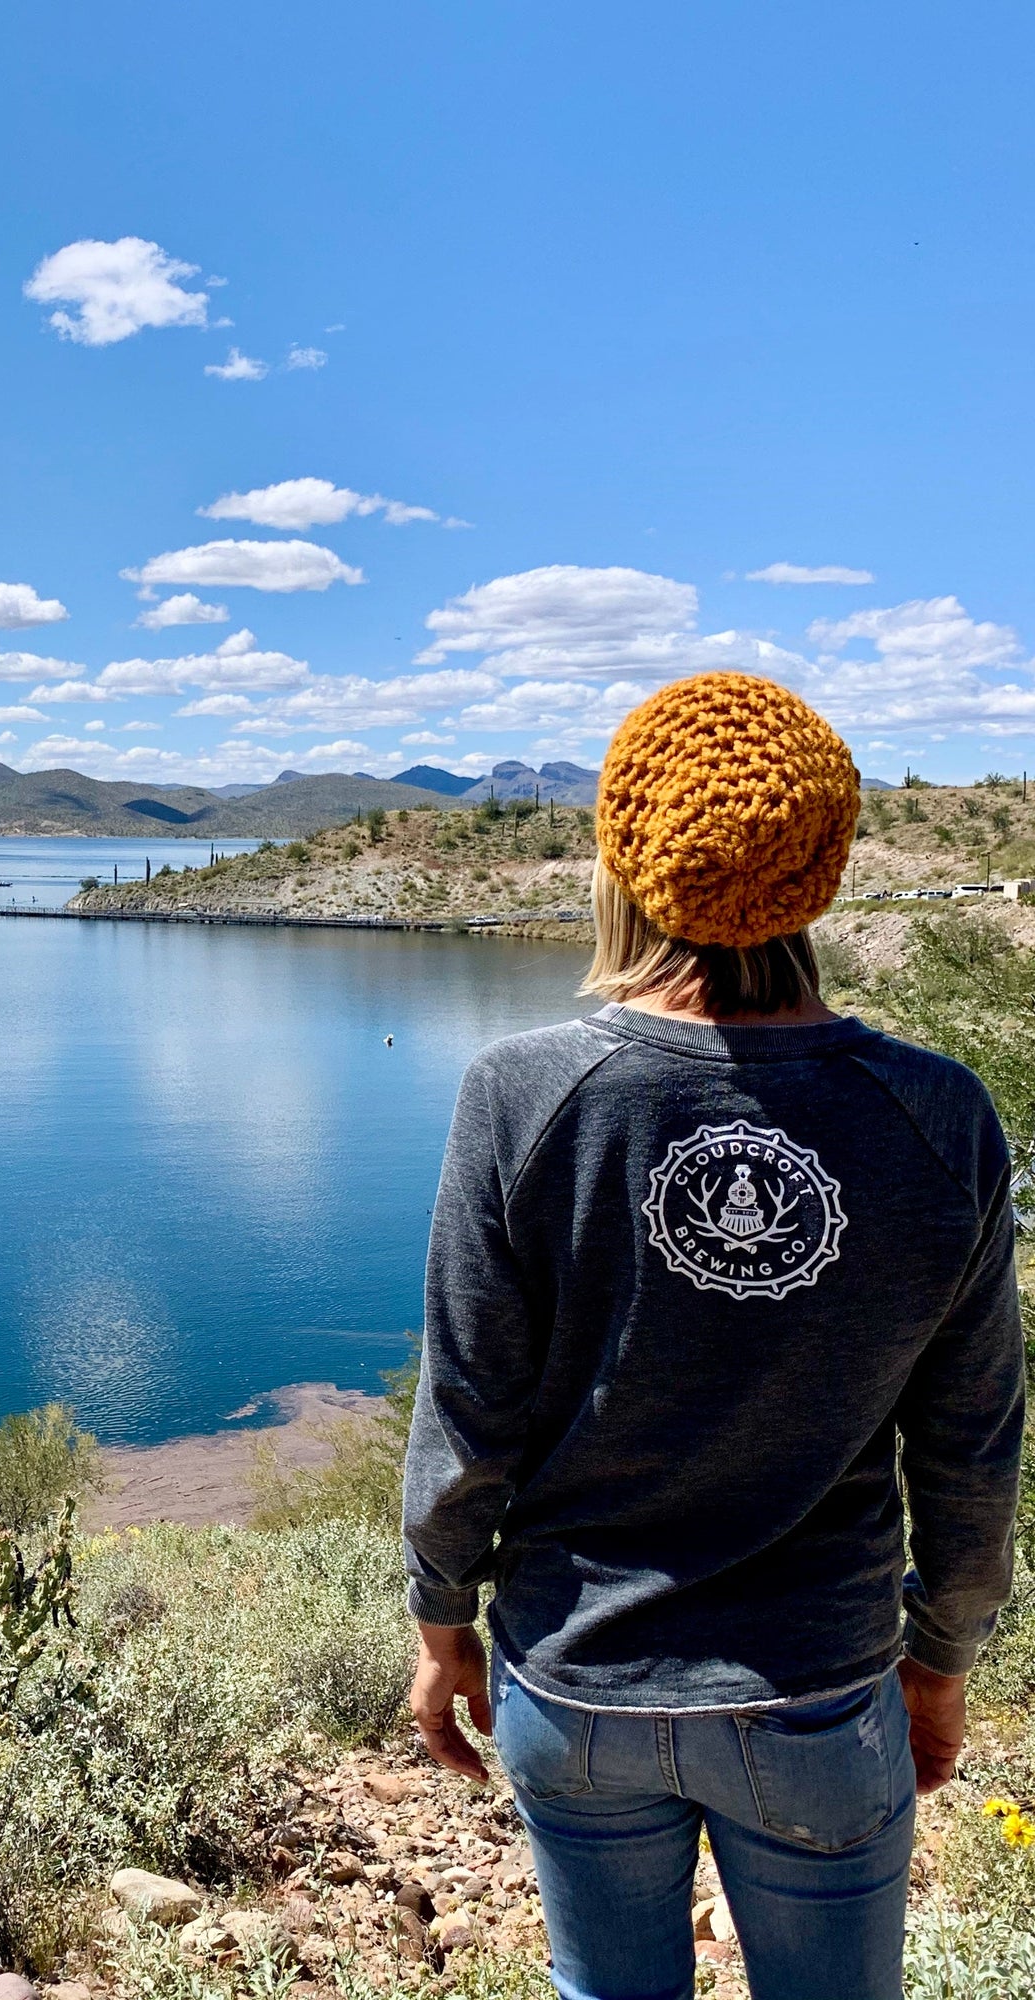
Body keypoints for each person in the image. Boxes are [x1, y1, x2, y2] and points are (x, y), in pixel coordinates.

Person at [400, 673, 1024, 2000]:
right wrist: (942, 1660)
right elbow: (970, 1455)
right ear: (828, 866)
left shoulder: (522, 1096)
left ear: (622, 860)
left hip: (576, 1687)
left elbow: (468, 1414)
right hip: (816, 1692)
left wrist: (443, 1615)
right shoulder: (939, 1116)